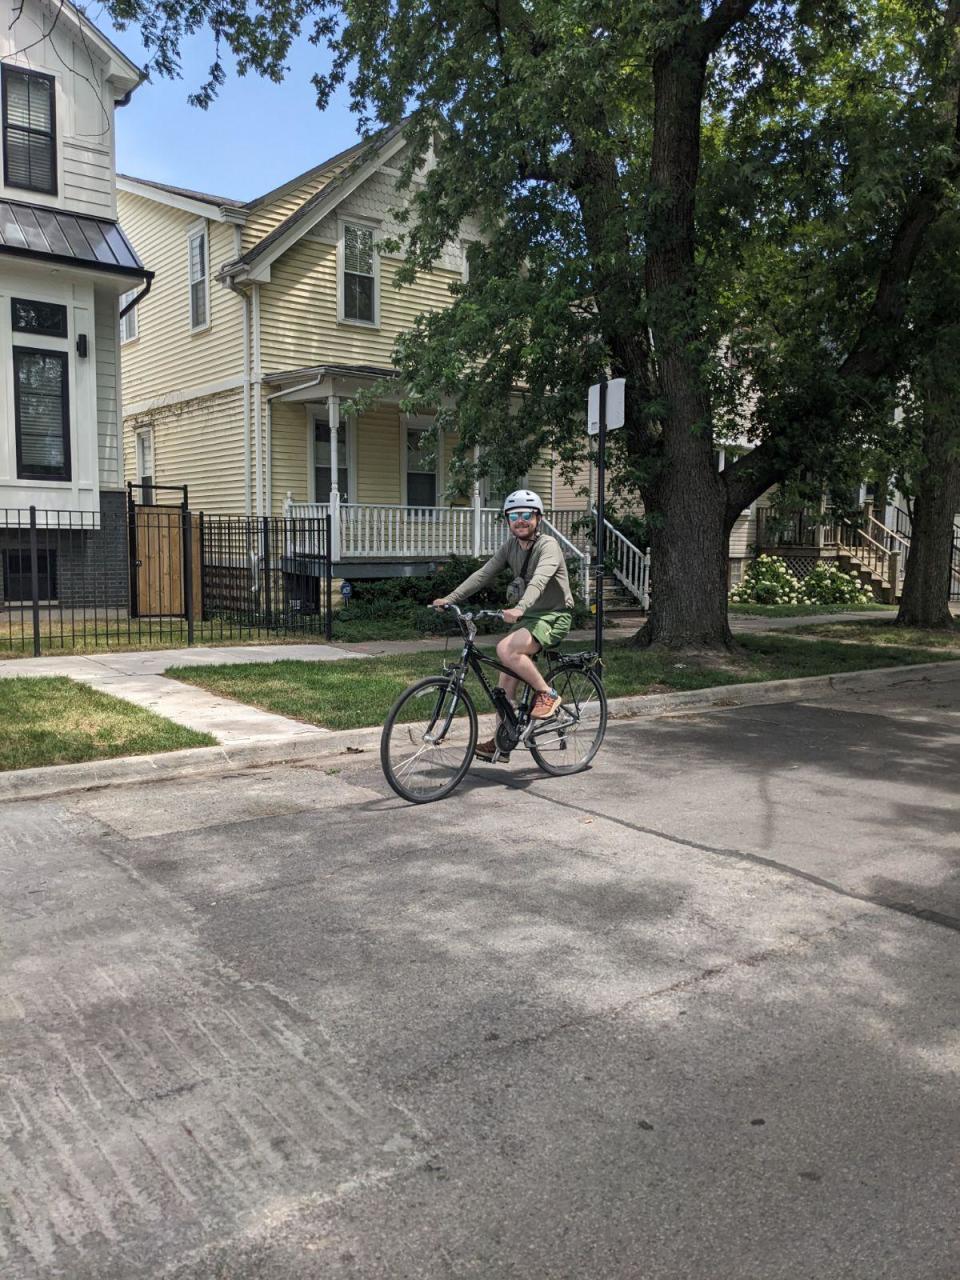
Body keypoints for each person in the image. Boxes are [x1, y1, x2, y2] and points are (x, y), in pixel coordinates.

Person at [433, 489, 575, 762]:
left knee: (506, 650)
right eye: (514, 516)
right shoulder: (510, 547)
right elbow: (483, 574)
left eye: (525, 515)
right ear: (507, 521)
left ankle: (548, 693)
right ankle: (504, 740)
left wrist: (520, 607)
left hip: (554, 616)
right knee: (503, 687)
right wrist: (450, 599)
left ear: (538, 518)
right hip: (530, 618)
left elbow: (539, 580)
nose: (520, 521)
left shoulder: (549, 546)